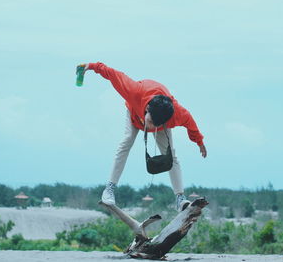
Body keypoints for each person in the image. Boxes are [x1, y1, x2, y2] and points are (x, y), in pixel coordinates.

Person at [80, 62, 207, 211]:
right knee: (126, 142)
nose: (151, 127)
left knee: (171, 154)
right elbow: (113, 74)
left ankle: (180, 198)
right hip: (134, 115)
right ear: (147, 109)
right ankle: (109, 189)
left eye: (156, 124)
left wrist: (199, 142)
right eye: (151, 122)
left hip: (161, 121)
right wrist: (91, 66)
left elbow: (191, 124)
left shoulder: (177, 113)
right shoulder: (135, 91)